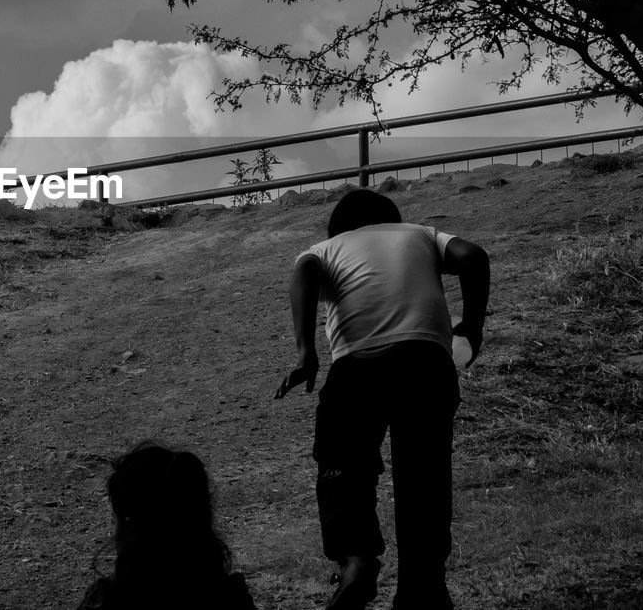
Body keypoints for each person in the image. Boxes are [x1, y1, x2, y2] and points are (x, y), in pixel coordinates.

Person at [275, 189, 489, 610]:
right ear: (392, 218)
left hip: (357, 367)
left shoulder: (329, 247)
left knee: (342, 465)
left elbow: (304, 270)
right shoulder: (421, 235)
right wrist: (472, 328)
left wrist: (305, 351)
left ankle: (355, 561)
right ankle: (423, 588)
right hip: (426, 364)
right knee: (424, 480)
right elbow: (474, 256)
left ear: (341, 228)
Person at [76, 441, 257, 610]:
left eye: (122, 519)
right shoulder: (231, 597)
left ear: (131, 528)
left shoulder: (106, 600)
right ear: (202, 518)